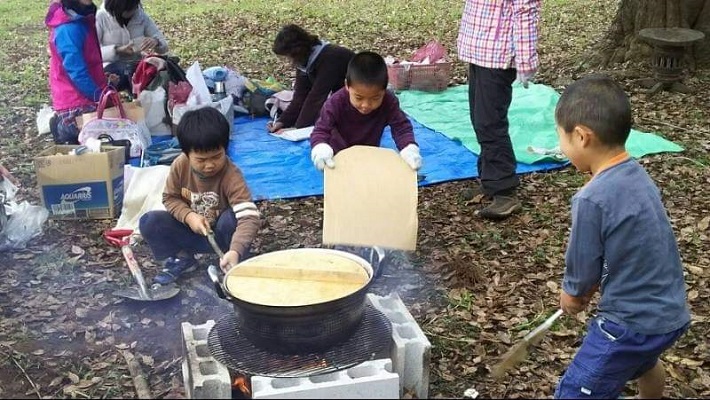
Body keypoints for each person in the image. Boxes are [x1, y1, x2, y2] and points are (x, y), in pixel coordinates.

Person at [553, 76, 690, 399]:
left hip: (630, 323)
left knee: (576, 392)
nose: (561, 146)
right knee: (642, 361)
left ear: (582, 137)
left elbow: (582, 264)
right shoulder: (638, 175)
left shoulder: (591, 198)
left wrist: (573, 293)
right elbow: (637, 238)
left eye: (561, 138)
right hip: (670, 314)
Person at [139, 107, 261, 285]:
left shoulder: (231, 174)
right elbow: (170, 198)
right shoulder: (180, 166)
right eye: (201, 160)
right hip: (191, 233)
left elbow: (249, 216)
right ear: (187, 154)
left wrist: (235, 249)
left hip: (221, 237)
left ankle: (233, 259)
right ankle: (182, 258)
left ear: (225, 148)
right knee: (150, 221)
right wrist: (189, 217)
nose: (210, 165)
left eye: (217, 156)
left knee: (231, 218)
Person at [456, 0, 541, 220]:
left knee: (490, 122)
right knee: (479, 119)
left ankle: (504, 190)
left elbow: (525, 11)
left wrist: (526, 61)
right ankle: (490, 181)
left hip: (498, 55)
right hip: (479, 50)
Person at [309, 51, 422, 171]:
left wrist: (408, 147)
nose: (366, 105)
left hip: (369, 153)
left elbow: (401, 127)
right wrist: (321, 147)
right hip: (337, 157)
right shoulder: (335, 103)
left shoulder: (389, 101)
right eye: (358, 97)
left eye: (375, 98)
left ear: (384, 89)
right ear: (347, 85)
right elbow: (321, 130)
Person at [268, 24, 354, 133]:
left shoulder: (330, 58)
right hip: (339, 96)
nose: (288, 62)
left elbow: (316, 97)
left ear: (296, 52)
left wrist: (297, 129)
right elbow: (300, 96)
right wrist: (282, 121)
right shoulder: (304, 61)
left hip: (356, 98)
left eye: (287, 57)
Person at [46, 0, 108, 144]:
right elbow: (76, 72)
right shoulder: (68, 29)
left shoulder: (83, 20)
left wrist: (103, 81)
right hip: (76, 103)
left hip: (87, 96)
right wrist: (100, 96)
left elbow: (89, 61)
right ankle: (60, 129)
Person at [96, 0, 169, 93]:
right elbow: (92, 53)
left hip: (136, 63)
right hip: (110, 66)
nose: (131, 12)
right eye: (128, 10)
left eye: (133, 8)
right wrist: (117, 50)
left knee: (162, 67)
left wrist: (156, 41)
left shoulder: (140, 16)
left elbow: (164, 45)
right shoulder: (100, 17)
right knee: (128, 70)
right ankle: (137, 96)